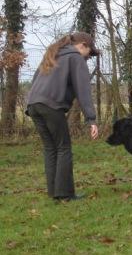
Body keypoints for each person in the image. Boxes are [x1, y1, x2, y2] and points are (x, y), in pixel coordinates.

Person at [26, 32, 99, 201]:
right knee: (63, 147)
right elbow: (83, 90)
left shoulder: (53, 54)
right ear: (83, 45)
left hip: (34, 105)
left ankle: (54, 192)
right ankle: (65, 194)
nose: (88, 57)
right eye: (89, 53)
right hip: (51, 105)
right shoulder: (75, 58)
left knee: (51, 148)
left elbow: (36, 80)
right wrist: (91, 119)